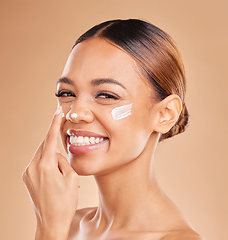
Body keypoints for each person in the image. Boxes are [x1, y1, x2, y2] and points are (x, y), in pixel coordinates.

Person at [22, 19, 203, 240]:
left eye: (106, 95)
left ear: (165, 114)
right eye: (67, 93)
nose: (75, 113)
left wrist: (50, 231)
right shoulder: (67, 223)